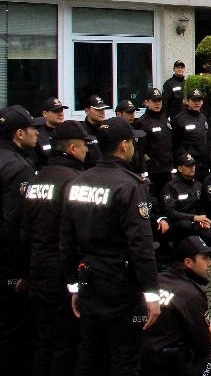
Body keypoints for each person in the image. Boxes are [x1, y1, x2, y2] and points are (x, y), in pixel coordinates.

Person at [60, 116, 160, 375]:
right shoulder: (129, 185)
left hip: (89, 282)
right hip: (121, 287)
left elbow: (67, 241)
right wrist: (152, 294)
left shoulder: (78, 182)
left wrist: (74, 286)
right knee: (124, 360)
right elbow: (142, 246)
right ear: (124, 145)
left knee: (90, 356)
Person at [20, 119, 89, 376]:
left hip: (38, 272)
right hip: (62, 276)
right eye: (84, 146)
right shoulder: (74, 182)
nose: (87, 151)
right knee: (66, 343)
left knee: (44, 340)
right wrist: (78, 281)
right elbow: (78, 237)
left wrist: (26, 270)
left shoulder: (37, 179)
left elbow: (24, 232)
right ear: (72, 149)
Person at [141, 236, 211, 376]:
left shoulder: (159, 279)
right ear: (188, 262)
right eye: (205, 258)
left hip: (140, 358)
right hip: (166, 365)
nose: (210, 263)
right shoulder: (191, 294)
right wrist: (206, 325)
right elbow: (203, 344)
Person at [0, 106, 41, 373]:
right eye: (31, 128)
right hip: (7, 265)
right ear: (18, 133)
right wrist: (23, 270)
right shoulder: (19, 168)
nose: (36, 133)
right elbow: (15, 225)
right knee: (12, 332)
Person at [159, 153, 211, 251]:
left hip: (197, 221)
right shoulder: (171, 187)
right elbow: (170, 212)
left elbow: (202, 206)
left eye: (193, 165)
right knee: (186, 225)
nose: (192, 168)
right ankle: (181, 248)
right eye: (188, 165)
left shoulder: (198, 185)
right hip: (180, 222)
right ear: (180, 168)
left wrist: (203, 219)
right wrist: (194, 217)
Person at [136, 87, 174, 201]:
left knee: (169, 200)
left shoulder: (165, 120)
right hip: (153, 172)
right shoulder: (142, 123)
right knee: (155, 201)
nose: (158, 103)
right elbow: (140, 150)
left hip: (168, 169)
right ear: (147, 102)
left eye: (159, 100)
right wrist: (144, 171)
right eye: (154, 101)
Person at [173, 90, 211, 177]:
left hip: (205, 165)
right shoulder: (179, 119)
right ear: (187, 101)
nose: (197, 103)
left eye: (199, 100)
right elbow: (175, 145)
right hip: (189, 165)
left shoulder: (204, 117)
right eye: (194, 100)